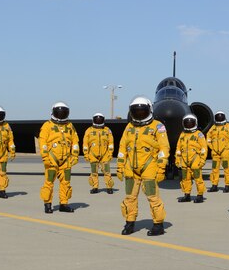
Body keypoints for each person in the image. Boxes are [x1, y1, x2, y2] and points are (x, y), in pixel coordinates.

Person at [117, 96, 170, 235]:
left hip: (149, 167)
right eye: (136, 111)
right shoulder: (129, 127)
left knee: (153, 197)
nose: (139, 114)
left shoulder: (157, 127)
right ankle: (129, 223)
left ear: (150, 110)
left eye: (142, 111)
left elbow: (164, 148)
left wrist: (161, 168)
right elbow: (122, 147)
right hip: (131, 168)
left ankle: (158, 225)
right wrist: (120, 166)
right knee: (130, 197)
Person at [39, 102, 79, 213]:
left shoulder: (69, 126)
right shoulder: (47, 126)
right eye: (59, 112)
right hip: (52, 159)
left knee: (66, 182)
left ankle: (63, 204)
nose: (61, 115)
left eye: (63, 113)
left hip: (66, 160)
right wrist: (45, 157)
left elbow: (75, 141)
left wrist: (75, 155)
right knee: (49, 182)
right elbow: (42, 142)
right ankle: (47, 204)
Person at [175, 114, 208, 203]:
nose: (189, 124)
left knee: (198, 178)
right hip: (184, 160)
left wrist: (202, 160)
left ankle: (200, 195)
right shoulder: (182, 134)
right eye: (187, 123)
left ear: (195, 123)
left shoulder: (199, 134)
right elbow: (178, 148)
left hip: (195, 160)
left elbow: (204, 148)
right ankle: (187, 195)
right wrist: (178, 159)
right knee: (185, 178)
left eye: (191, 123)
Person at [82, 113, 114, 195]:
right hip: (93, 154)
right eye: (97, 119)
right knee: (94, 172)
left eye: (100, 119)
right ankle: (95, 187)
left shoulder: (107, 130)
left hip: (105, 154)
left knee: (107, 172)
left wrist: (110, 153)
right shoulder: (89, 130)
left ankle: (109, 187)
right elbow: (85, 143)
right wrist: (86, 154)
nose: (99, 121)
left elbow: (111, 142)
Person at [206, 111, 229, 193]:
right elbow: (208, 138)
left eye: (221, 117)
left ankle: (227, 186)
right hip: (215, 153)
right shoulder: (213, 128)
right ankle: (214, 185)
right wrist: (211, 147)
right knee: (215, 169)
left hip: (225, 152)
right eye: (218, 117)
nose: (219, 118)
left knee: (226, 169)